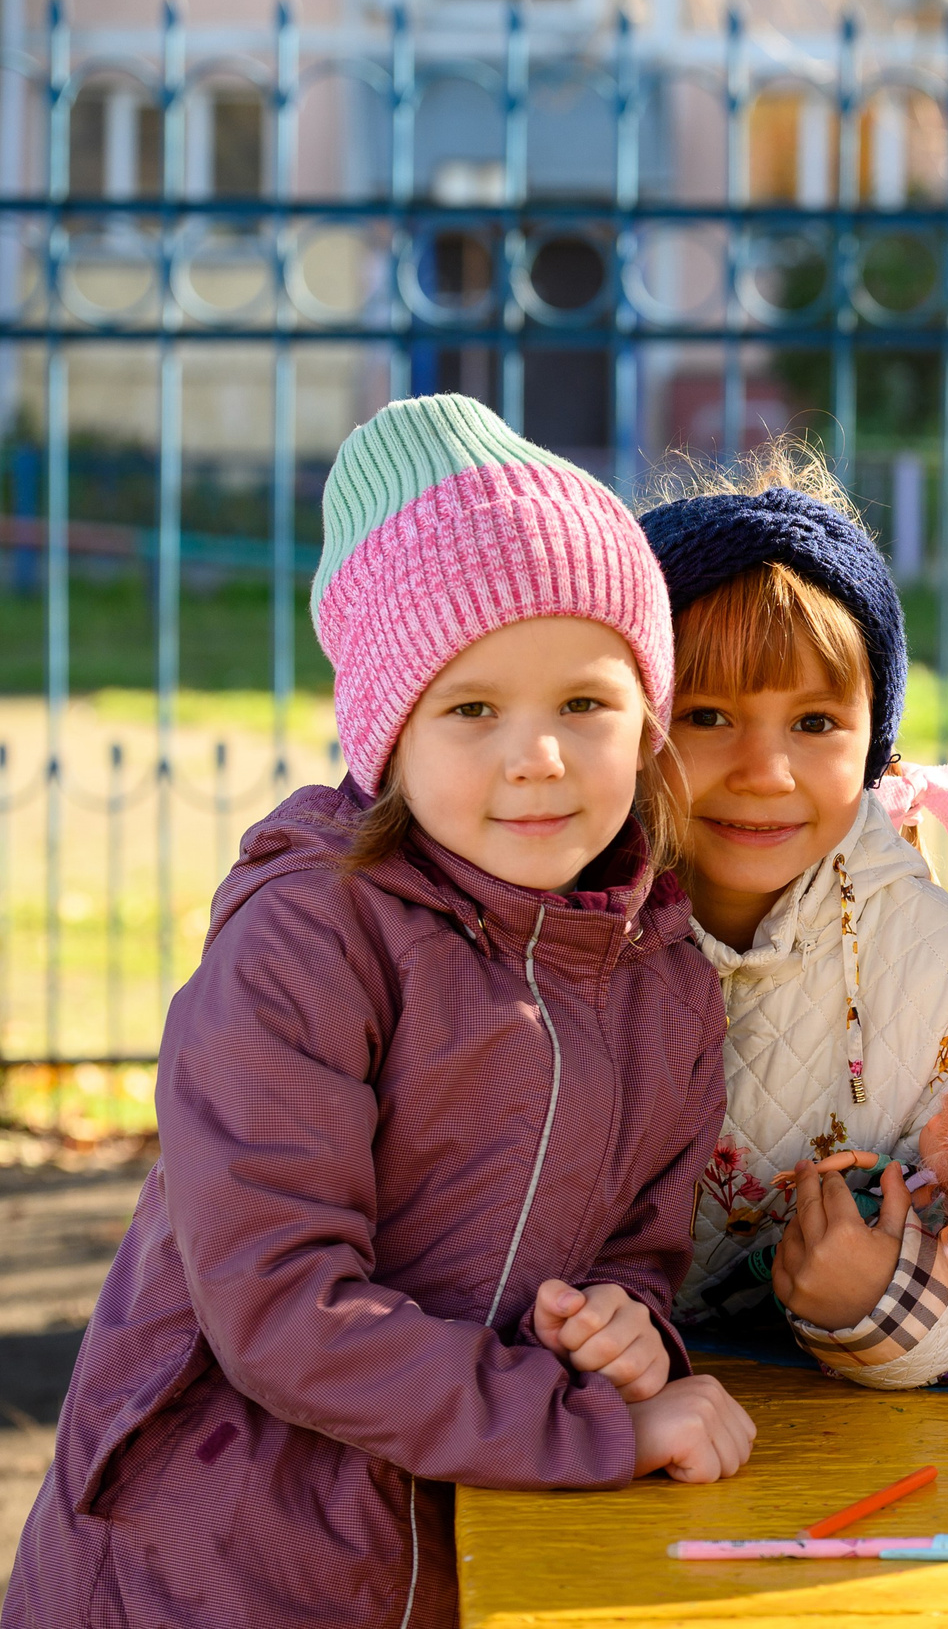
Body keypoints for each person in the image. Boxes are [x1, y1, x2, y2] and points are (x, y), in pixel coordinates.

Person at [3, 396, 753, 1629]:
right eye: (472, 709)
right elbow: (282, 1305)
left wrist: (626, 1330)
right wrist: (585, 1425)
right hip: (214, 1562)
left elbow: (636, 1248)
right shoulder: (308, 941)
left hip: (468, 1550)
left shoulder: (661, 978)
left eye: (586, 702)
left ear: (648, 717)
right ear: (386, 734)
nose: (540, 756)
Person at [641, 450, 948, 1389]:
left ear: (874, 731)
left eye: (814, 724)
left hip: (811, 1423)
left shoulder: (938, 972)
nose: (766, 771)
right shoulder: (554, 921)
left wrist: (874, 1298)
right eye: (709, 714)